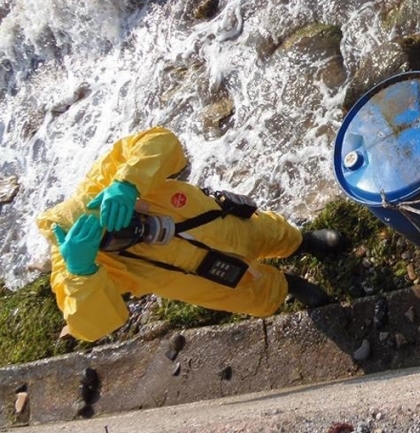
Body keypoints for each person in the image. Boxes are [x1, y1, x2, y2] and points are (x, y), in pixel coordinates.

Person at [36, 126, 343, 342]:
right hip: (202, 279)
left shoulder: (103, 180)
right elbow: (90, 325)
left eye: (120, 221)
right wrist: (82, 272)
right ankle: (290, 284)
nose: (127, 230)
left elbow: (164, 141)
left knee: (267, 233)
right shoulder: (74, 263)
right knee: (254, 295)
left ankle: (303, 241)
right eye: (112, 238)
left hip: (218, 223)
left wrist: (127, 183)